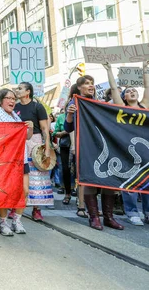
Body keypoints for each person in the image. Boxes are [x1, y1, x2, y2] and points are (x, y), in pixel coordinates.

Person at [64, 75, 123, 230]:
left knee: (108, 180)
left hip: (104, 146)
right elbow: (67, 128)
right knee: (90, 180)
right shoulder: (75, 103)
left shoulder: (99, 103)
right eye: (87, 84)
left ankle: (108, 217)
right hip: (86, 146)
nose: (91, 86)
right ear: (79, 88)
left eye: (92, 83)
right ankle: (94, 217)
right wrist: (70, 114)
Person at [0, 59, 33, 236]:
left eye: (14, 98)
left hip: (20, 158)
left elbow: (26, 138)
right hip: (3, 159)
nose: (12, 100)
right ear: (1, 100)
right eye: (9, 98)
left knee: (24, 190)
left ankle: (17, 220)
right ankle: (3, 222)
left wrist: (28, 128)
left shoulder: (16, 116)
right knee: (4, 192)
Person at [103, 61, 149, 226]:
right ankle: (132, 212)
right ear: (124, 97)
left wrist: (145, 69)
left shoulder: (144, 106)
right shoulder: (121, 107)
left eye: (133, 91)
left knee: (147, 180)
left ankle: (148, 212)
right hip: (126, 148)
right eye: (128, 91)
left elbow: (147, 87)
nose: (131, 92)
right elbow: (114, 89)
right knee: (129, 180)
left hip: (145, 148)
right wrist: (108, 70)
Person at [13, 82, 54, 221]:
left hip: (35, 144)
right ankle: (15, 206)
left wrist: (47, 149)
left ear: (28, 92)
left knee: (37, 177)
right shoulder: (15, 107)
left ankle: (37, 209)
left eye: (20, 88)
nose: (16, 91)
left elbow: (44, 129)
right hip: (19, 144)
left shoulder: (37, 106)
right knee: (19, 177)